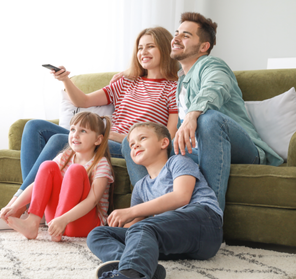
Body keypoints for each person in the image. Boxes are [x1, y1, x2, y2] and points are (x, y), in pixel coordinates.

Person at [0, 26, 179, 231]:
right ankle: (25, 206)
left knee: (59, 140)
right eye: (140, 48)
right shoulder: (126, 82)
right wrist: (66, 79)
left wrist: (117, 136)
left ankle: (16, 208)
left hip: (128, 145)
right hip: (104, 136)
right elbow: (83, 101)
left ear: (165, 49)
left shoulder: (173, 87)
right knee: (34, 127)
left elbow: (168, 137)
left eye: (150, 47)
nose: (143, 52)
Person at [121, 12, 283, 212]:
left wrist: (192, 115)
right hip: (196, 151)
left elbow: (215, 87)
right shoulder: (181, 82)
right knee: (131, 145)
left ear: (204, 46)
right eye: (177, 33)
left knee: (209, 120)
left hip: (241, 148)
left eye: (186, 35)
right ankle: (150, 216)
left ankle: (209, 219)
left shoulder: (213, 65)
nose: (177, 38)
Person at [87, 122, 223, 279]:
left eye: (142, 138)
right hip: (173, 243)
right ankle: (138, 268)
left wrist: (130, 211)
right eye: (131, 144)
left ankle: (128, 274)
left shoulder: (178, 162)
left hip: (204, 225)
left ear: (164, 143)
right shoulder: (140, 187)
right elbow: (134, 230)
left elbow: (182, 196)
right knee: (97, 234)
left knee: (145, 228)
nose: (135, 145)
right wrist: (118, 223)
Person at [0, 112, 114, 241]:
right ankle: (32, 222)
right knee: (47, 166)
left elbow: (92, 200)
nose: (75, 135)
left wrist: (62, 220)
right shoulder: (66, 156)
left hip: (83, 224)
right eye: (72, 129)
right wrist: (14, 206)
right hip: (56, 223)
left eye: (83, 131)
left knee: (75, 170)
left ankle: (58, 226)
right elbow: (37, 184)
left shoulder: (101, 163)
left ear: (98, 139)